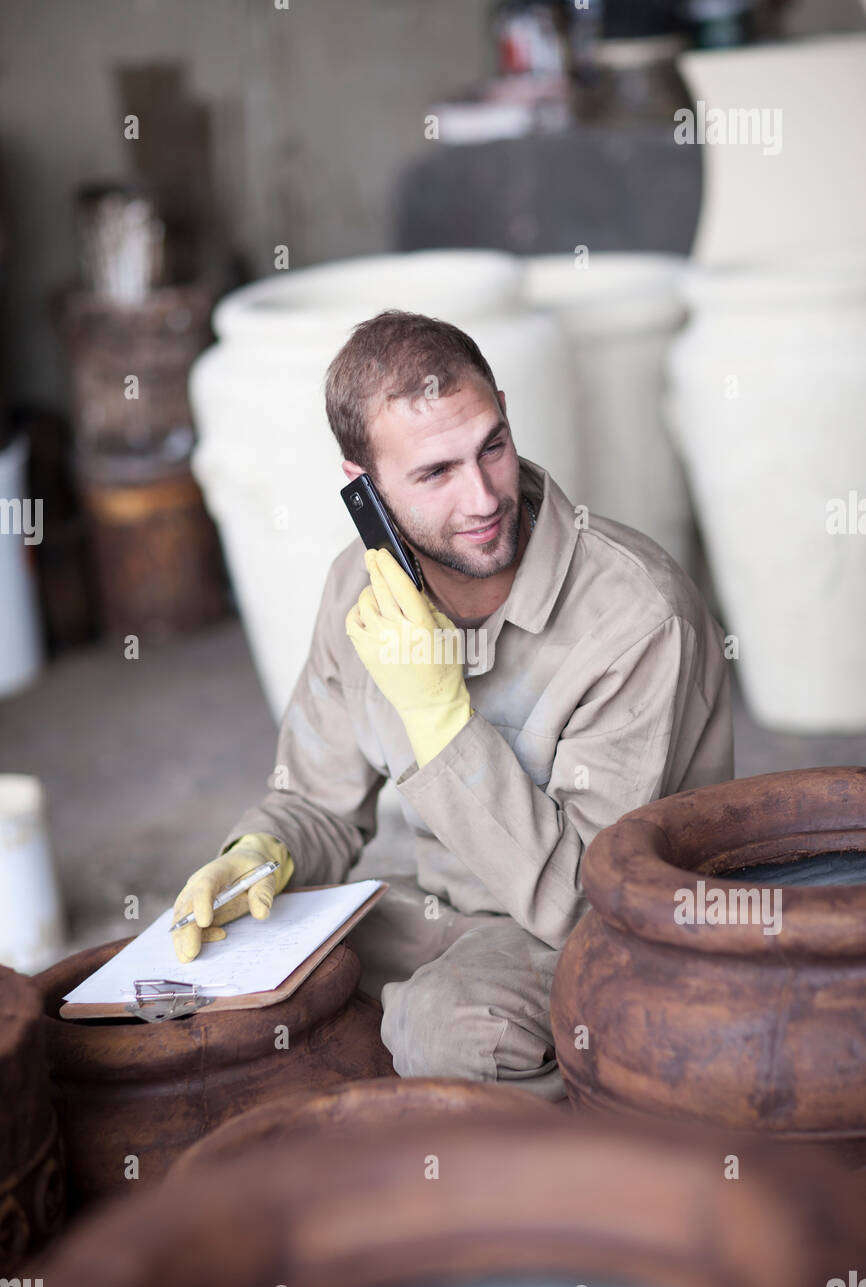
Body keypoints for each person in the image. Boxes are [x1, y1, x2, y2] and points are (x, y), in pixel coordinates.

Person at [171, 309, 733, 1102]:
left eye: (492, 447)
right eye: (435, 473)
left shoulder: (636, 615)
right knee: (224, 966)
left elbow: (586, 902)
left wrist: (440, 719)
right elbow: (316, 804)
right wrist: (261, 853)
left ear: (504, 412)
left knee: (448, 1029)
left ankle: (595, 1181)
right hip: (446, 916)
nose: (482, 498)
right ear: (362, 488)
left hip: (616, 936)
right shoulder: (358, 591)